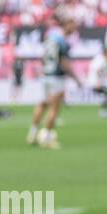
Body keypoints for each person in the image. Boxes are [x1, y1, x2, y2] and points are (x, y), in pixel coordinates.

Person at [27, 15, 78, 149]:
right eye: (73, 25)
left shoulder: (50, 38)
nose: (75, 28)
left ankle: (32, 134)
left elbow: (43, 57)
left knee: (42, 105)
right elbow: (64, 63)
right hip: (56, 77)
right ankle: (47, 138)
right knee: (54, 109)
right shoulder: (62, 42)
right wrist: (76, 79)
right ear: (67, 25)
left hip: (46, 76)